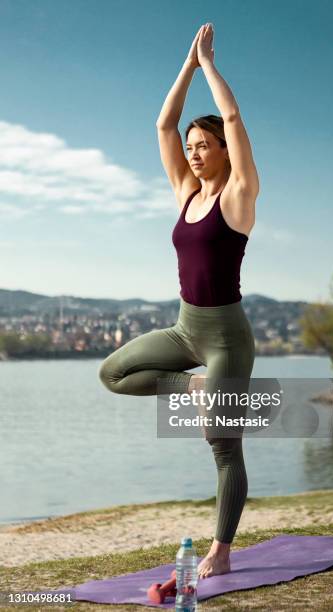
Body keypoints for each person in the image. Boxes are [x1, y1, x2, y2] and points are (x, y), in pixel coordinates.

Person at [99, 22, 259, 579]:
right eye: (188, 149)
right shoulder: (185, 191)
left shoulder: (239, 196)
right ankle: (188, 385)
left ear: (222, 151)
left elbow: (235, 119)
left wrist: (210, 65)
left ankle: (221, 548)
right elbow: (163, 123)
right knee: (114, 374)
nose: (192, 155)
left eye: (203, 147)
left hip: (227, 341)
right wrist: (186, 67)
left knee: (224, 447)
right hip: (185, 329)